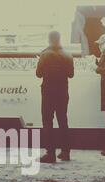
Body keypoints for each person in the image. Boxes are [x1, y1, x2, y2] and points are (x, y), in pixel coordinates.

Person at [36, 31, 75, 163]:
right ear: (59, 39)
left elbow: (38, 74)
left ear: (49, 39)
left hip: (48, 93)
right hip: (63, 93)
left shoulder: (45, 54)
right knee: (63, 121)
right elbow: (71, 74)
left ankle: (50, 153)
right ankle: (65, 152)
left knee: (48, 122)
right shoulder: (68, 55)